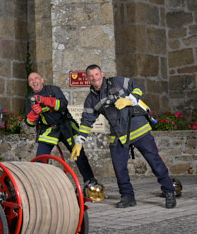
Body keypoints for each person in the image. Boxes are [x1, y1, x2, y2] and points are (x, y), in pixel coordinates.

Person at [71, 64, 176, 209]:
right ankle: (127, 196)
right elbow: (87, 121)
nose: (94, 78)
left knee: (155, 162)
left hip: (138, 129)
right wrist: (79, 141)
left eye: (96, 74)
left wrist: (130, 99)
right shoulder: (91, 99)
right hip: (119, 134)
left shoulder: (118, 82)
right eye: (91, 76)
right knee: (119, 167)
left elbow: (138, 86)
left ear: (102, 74)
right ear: (88, 78)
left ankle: (169, 192)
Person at [25, 72, 97, 186]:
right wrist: (34, 113)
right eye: (31, 80)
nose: (34, 81)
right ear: (29, 84)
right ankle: (40, 185)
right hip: (49, 130)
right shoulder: (30, 99)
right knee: (41, 158)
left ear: (42, 80)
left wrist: (44, 100)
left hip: (66, 126)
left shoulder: (53, 90)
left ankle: (90, 181)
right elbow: (29, 123)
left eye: (36, 78)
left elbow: (63, 105)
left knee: (78, 154)